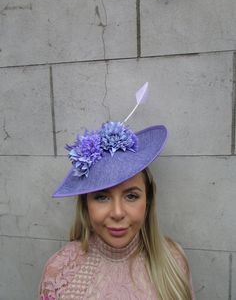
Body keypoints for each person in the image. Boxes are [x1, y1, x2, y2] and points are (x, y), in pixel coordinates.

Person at [39, 120, 195, 300]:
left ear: (148, 201)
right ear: (86, 203)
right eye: (102, 197)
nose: (117, 213)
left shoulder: (173, 261)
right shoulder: (59, 270)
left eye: (131, 196)